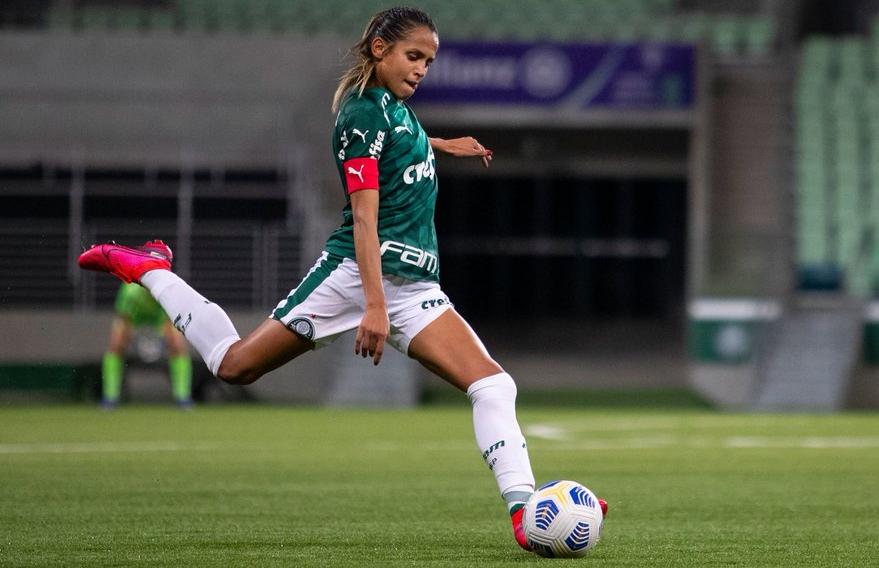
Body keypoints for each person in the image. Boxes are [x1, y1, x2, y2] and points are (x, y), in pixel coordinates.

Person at [78, 6, 605, 551]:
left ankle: (525, 514)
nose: (423, 68)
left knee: (494, 385)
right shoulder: (360, 116)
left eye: (429, 60)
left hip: (416, 290)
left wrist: (443, 145)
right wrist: (374, 307)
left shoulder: (394, 108)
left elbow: (402, 143)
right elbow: (366, 219)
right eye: (414, 56)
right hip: (355, 279)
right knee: (234, 366)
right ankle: (152, 270)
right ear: (380, 49)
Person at [102, 282, 193, 410]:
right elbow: (124, 321)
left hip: (159, 319)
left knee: (178, 346)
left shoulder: (166, 293)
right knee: (116, 346)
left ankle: (183, 397)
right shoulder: (130, 293)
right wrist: (132, 339)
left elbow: (169, 321)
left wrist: (163, 340)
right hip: (134, 319)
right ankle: (110, 397)